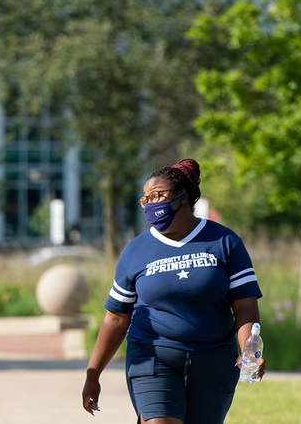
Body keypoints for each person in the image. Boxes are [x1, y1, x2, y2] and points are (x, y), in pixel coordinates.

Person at [81, 159, 265, 424]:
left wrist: (249, 349)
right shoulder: (135, 250)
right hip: (151, 357)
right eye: (146, 199)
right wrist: (93, 373)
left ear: (183, 197)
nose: (151, 203)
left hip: (213, 362)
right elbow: (116, 317)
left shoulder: (225, 241)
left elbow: (244, 304)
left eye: (158, 195)